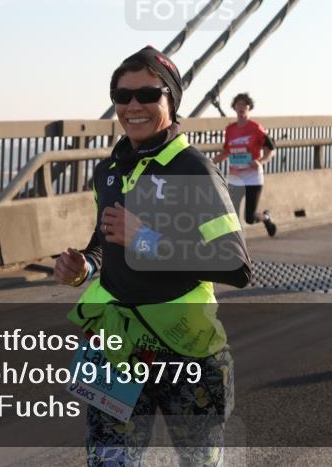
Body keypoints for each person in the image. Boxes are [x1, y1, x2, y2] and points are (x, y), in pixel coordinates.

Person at [54, 46, 251, 467]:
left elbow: (235, 264)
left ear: (171, 101)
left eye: (148, 94)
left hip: (186, 348)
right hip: (117, 346)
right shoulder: (109, 170)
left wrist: (146, 240)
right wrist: (83, 266)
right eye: (122, 96)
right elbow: (105, 243)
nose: (133, 106)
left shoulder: (193, 169)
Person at [211, 93, 278, 237]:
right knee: (231, 212)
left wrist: (260, 162)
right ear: (234, 107)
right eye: (238, 104)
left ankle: (266, 217)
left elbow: (271, 150)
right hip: (235, 177)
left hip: (253, 177)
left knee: (249, 217)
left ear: (249, 108)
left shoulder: (256, 128)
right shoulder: (230, 129)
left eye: (245, 105)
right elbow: (226, 152)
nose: (241, 107)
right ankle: (235, 243)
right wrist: (208, 163)